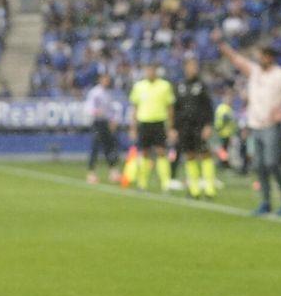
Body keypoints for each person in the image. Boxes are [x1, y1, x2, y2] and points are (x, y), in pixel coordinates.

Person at [216, 32, 281, 215]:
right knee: (259, 165)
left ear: (270, 57)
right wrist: (223, 46)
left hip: (271, 125)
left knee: (272, 163)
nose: (260, 58)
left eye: (263, 55)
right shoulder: (255, 71)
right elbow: (237, 60)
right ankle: (266, 201)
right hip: (255, 125)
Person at [128, 62, 176, 192]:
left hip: (159, 122)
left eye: (152, 70)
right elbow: (135, 108)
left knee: (161, 152)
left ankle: (166, 183)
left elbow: (170, 107)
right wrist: (133, 127)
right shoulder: (139, 86)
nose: (149, 72)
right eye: (147, 70)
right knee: (143, 153)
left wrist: (171, 127)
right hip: (144, 122)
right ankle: (142, 183)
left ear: (156, 71)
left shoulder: (165, 86)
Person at [173, 59, 216, 199]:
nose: (193, 69)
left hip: (200, 126)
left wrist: (209, 125)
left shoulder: (202, 86)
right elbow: (176, 109)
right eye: (190, 66)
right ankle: (194, 189)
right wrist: (174, 127)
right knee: (189, 155)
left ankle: (209, 189)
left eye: (195, 66)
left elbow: (209, 107)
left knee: (205, 154)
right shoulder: (180, 86)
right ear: (185, 68)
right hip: (185, 127)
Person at [84, 72, 119, 184]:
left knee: (108, 147)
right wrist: (96, 112)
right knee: (95, 147)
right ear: (100, 79)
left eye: (108, 79)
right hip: (97, 122)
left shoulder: (107, 93)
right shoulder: (95, 93)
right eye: (104, 79)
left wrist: (112, 120)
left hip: (105, 122)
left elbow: (110, 110)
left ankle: (112, 171)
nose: (106, 81)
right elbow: (89, 108)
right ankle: (91, 173)